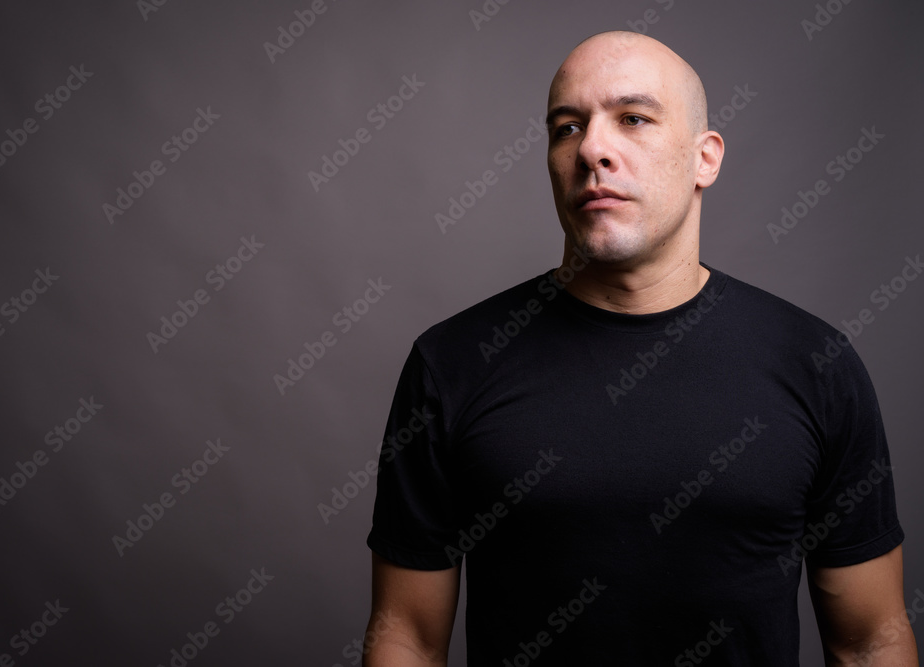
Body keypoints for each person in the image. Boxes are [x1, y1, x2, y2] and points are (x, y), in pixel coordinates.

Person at [362, 30, 917, 665]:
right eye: (566, 128)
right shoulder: (451, 364)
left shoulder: (817, 364)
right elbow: (406, 635)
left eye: (633, 119)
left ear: (705, 158)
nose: (593, 148)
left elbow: (871, 641)